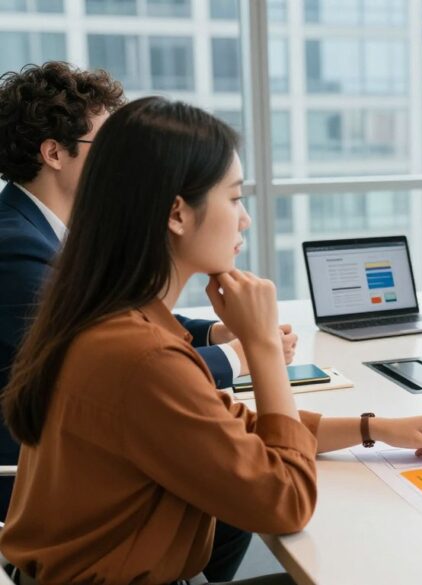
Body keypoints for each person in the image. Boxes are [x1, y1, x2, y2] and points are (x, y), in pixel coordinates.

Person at [0, 97, 422, 585]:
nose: (244, 219)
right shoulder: (139, 355)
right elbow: (287, 502)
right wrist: (262, 347)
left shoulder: (116, 317)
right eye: (233, 198)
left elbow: (235, 428)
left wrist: (374, 428)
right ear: (176, 214)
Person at [0, 61, 289, 579]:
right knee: (235, 499)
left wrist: (367, 429)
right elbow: (131, 367)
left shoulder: (55, 236)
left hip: (74, 488)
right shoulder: (15, 246)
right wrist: (248, 351)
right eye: (108, 146)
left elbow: (119, 317)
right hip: (43, 481)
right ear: (53, 154)